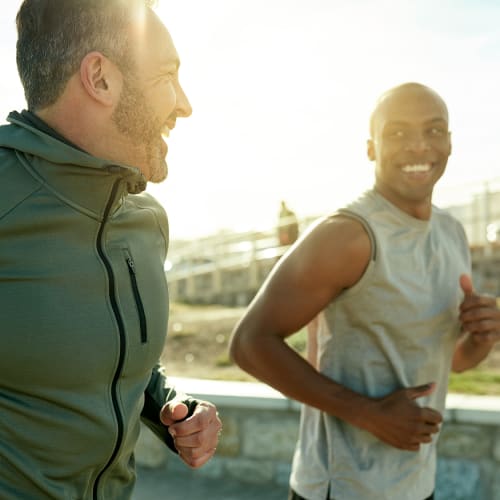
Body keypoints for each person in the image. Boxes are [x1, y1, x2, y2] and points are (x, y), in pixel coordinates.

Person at [230, 82, 500, 500]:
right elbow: (249, 344)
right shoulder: (350, 235)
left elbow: (453, 360)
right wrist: (369, 415)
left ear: (449, 142)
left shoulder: (451, 232)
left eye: (433, 130)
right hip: (340, 488)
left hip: (416, 485)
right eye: (396, 133)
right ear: (370, 148)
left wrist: (483, 336)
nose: (417, 146)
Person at [0, 1, 221, 498]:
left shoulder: (146, 221)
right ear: (100, 78)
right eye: (166, 77)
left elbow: (122, 363)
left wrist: (172, 406)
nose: (184, 104)